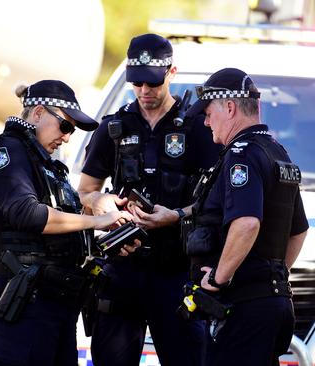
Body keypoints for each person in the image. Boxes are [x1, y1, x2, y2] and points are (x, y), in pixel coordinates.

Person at [0, 80, 137, 366]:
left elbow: (58, 232)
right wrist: (95, 220)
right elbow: (27, 214)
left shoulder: (42, 161)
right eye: (65, 126)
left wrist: (106, 232)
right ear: (37, 113)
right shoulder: (8, 152)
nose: (67, 137)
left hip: (52, 301)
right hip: (20, 300)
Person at [78, 33, 221, 366]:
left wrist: (177, 215)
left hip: (177, 270)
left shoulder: (198, 128)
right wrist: (102, 203)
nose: (144, 91)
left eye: (152, 83)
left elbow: (218, 200)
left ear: (172, 72)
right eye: (137, 82)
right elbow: (85, 190)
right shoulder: (113, 127)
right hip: (122, 267)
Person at [183, 68, 309, 366]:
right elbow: (298, 231)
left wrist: (218, 277)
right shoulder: (277, 153)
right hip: (273, 303)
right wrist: (272, 276)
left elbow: (247, 222)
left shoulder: (242, 156)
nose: (205, 121)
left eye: (208, 112)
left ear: (229, 107)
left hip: (244, 307)